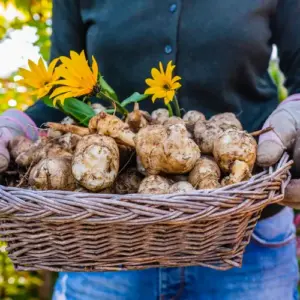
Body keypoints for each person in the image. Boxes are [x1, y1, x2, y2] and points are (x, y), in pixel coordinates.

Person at [1, 0, 300, 299]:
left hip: (248, 231)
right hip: (105, 240)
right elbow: (61, 95)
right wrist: (17, 128)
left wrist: (295, 114)